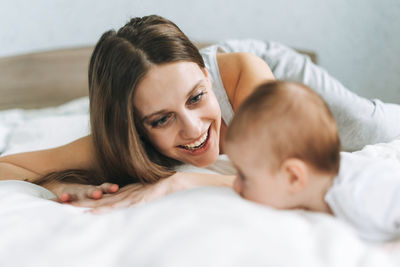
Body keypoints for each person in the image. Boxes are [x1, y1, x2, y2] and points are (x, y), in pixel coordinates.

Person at [0, 15, 400, 212]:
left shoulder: (244, 74)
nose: (193, 129)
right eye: (161, 119)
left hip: (271, 71)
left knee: (373, 128)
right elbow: (8, 166)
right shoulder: (122, 137)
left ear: (206, 77)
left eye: (195, 99)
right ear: (133, 127)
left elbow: (288, 177)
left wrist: (181, 184)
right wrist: (61, 188)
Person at [224, 81, 400, 241]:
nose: (236, 185)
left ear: (293, 177)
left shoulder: (360, 194)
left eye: (243, 176)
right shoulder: (315, 193)